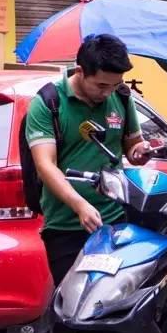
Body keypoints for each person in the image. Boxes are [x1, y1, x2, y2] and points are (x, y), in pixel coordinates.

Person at [27, 35, 151, 287]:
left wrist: (140, 151)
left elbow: (131, 147)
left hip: (114, 220)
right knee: (73, 308)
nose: (108, 93)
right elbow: (45, 165)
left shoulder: (122, 98)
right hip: (66, 227)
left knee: (111, 303)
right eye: (101, 85)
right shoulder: (48, 103)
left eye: (115, 86)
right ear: (81, 71)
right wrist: (80, 205)